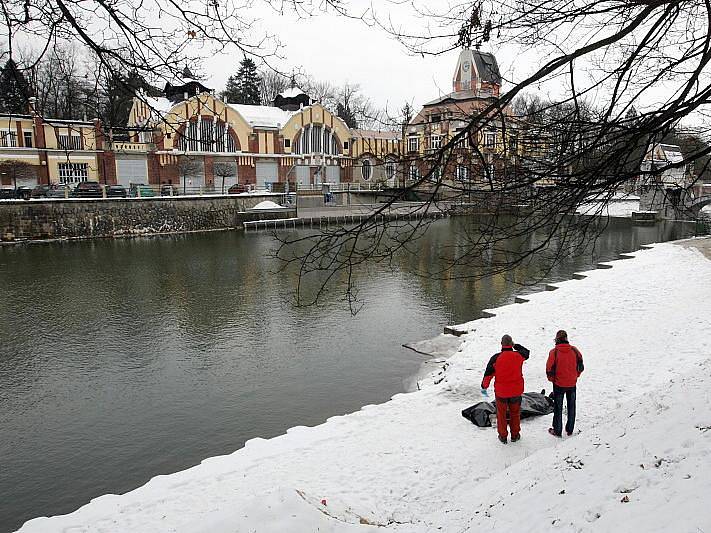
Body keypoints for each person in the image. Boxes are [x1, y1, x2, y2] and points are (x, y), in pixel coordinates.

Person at [481, 334, 530, 444]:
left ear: (501, 344)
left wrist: (484, 386)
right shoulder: (518, 356)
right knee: (515, 413)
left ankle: (503, 436)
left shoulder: (495, 358)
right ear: (511, 344)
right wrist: (515, 345)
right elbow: (526, 352)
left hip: (501, 392)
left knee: (501, 415)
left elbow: (488, 375)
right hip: (516, 392)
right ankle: (515, 435)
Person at [546, 330, 584, 437]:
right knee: (572, 406)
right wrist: (576, 376)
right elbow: (581, 366)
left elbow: (549, 368)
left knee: (558, 407)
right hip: (572, 383)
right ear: (566, 338)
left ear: (557, 339)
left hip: (559, 384)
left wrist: (552, 379)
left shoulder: (554, 352)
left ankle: (557, 430)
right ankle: (570, 429)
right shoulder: (574, 350)